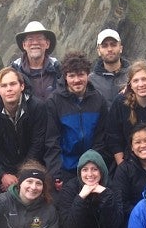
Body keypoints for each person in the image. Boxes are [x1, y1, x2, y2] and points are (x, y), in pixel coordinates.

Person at [44, 50, 109, 188]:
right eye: (72, 76)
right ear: (65, 77)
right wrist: (55, 173)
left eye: (81, 74)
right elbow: (51, 141)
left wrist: (94, 166)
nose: (77, 80)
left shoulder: (99, 100)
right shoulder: (54, 101)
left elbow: (101, 138)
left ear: (88, 75)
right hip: (66, 168)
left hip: (91, 168)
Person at [56, 149, 124, 228]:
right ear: (79, 172)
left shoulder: (112, 188)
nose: (90, 174)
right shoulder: (70, 188)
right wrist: (81, 197)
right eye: (85, 169)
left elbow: (115, 224)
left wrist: (106, 196)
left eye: (94, 169)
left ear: (102, 171)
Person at [0, 67, 47, 191]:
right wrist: (2, 175)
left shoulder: (37, 108)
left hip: (33, 167)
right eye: (4, 86)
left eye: (13, 84)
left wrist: (22, 174)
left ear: (22, 86)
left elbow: (38, 145)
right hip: (4, 174)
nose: (9, 89)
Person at [111, 123, 146, 228]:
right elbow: (120, 202)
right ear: (131, 147)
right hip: (135, 221)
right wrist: (144, 216)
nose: (143, 145)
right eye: (137, 142)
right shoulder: (124, 169)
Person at [11, 21, 61, 100]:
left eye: (39, 38)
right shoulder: (14, 71)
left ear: (47, 44)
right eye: (30, 39)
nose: (35, 43)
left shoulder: (58, 70)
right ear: (24, 45)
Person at [89, 29, 131, 105]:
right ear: (98, 51)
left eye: (113, 44)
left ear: (121, 48)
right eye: (104, 46)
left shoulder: (133, 77)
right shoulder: (90, 82)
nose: (109, 49)